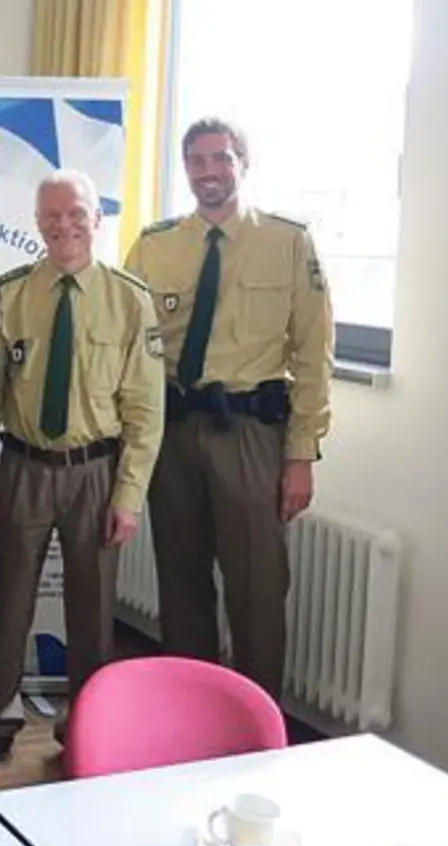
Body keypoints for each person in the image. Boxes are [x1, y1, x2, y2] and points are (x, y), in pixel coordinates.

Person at [0, 170, 165, 772]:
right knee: (12, 602)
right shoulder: (13, 293)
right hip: (24, 466)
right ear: (38, 223)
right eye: (51, 216)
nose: (63, 225)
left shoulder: (129, 298)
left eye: (75, 213)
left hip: (96, 473)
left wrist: (128, 496)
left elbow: (146, 411)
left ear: (97, 218)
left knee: (93, 612)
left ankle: (86, 730)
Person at [124, 118, 334, 698]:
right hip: (175, 430)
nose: (209, 171)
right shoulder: (154, 244)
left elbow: (314, 356)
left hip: (250, 432)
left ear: (243, 163)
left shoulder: (288, 242)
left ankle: (255, 729)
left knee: (257, 587)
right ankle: (193, 716)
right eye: (197, 160)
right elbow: (128, 342)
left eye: (221, 158)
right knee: (181, 578)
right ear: (186, 168)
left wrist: (300, 457)